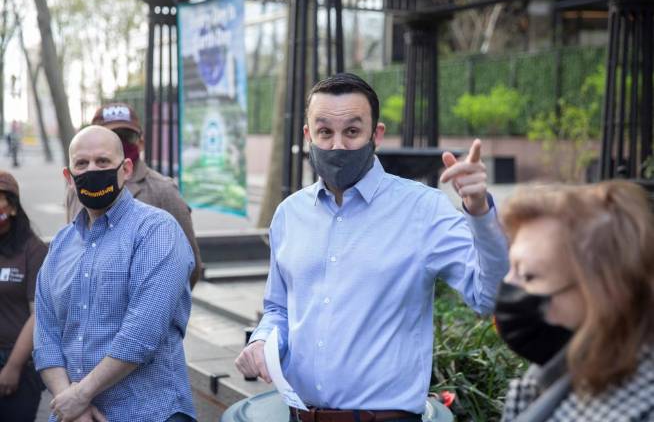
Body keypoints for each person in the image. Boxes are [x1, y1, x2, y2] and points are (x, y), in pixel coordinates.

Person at [234, 72, 509, 420]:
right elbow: (279, 309)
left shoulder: (423, 210)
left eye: (352, 131)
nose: (336, 145)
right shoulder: (289, 215)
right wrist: (262, 341)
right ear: (308, 135)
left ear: (376, 135)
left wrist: (480, 211)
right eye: (324, 132)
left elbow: (490, 297)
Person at [34, 126, 196, 422]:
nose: (92, 170)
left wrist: (79, 396)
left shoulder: (156, 231)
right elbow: (46, 337)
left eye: (103, 162)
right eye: (81, 164)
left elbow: (142, 332)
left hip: (149, 413)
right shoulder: (60, 246)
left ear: (126, 169)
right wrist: (73, 407)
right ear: (69, 178)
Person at [495, 181, 654, 422]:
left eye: (528, 275)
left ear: (604, 293)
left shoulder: (629, 412)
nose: (508, 286)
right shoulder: (559, 372)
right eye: (511, 268)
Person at [65, 103, 202, 288]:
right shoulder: (76, 190)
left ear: (141, 141)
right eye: (113, 136)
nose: (121, 142)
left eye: (127, 136)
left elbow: (189, 264)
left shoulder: (163, 191)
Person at [0, 170, 47, 421]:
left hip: (16, 366)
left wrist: (14, 366)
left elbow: (38, 314)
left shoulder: (33, 250)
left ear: (13, 208)